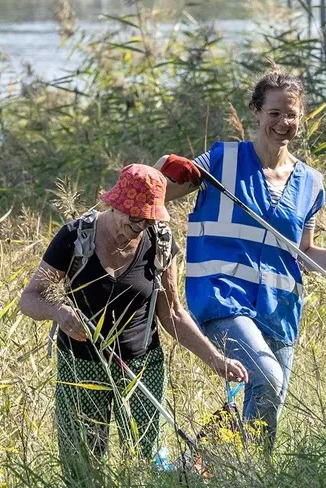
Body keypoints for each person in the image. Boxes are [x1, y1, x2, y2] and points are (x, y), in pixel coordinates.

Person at [156, 70, 326, 452]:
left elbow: (304, 255)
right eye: (274, 113)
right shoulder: (221, 160)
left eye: (290, 114)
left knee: (266, 405)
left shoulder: (312, 182)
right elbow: (156, 192)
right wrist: (162, 167)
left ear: (301, 116)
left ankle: (243, 470)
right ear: (256, 113)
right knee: (267, 377)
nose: (283, 123)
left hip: (280, 309)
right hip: (223, 300)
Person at [19, 164, 248, 480]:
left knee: (143, 463)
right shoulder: (74, 236)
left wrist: (217, 360)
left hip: (142, 367)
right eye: (134, 217)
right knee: (82, 466)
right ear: (115, 204)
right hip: (81, 365)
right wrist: (59, 312)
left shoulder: (159, 241)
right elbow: (29, 298)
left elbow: (173, 314)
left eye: (149, 219)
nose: (140, 226)